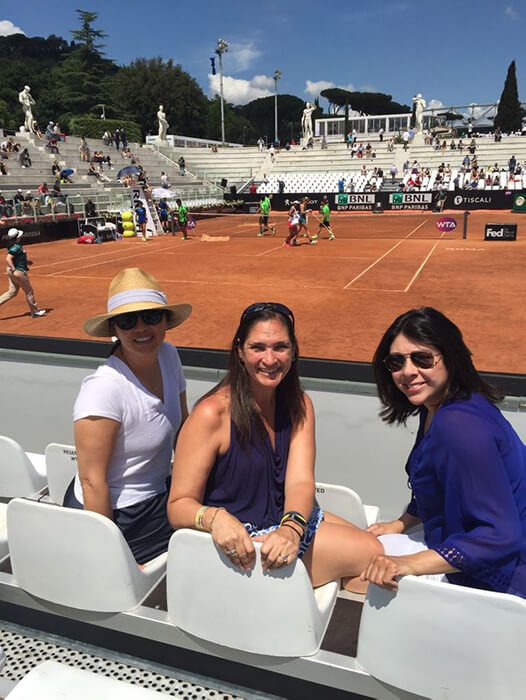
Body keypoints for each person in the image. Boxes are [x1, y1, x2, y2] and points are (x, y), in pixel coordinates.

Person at [167, 302, 382, 588]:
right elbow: (178, 506)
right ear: (240, 352)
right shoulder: (211, 414)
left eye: (280, 347)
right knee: (373, 552)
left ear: (293, 351)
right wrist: (216, 518)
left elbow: (300, 482)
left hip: (284, 521)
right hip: (244, 543)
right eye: (258, 347)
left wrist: (292, 529)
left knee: (373, 568)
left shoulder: (300, 405)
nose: (270, 359)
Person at [361, 307, 526, 599]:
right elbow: (435, 485)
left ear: (449, 356)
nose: (408, 371)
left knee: (358, 567)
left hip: (502, 581)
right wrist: (402, 523)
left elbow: (500, 536)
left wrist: (408, 564)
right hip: (476, 554)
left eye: (423, 358)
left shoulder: (459, 425)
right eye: (396, 362)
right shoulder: (438, 407)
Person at [63, 268, 192, 565]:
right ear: (115, 329)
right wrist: (111, 557)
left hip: (158, 496)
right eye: (127, 321)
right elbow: (92, 480)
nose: (140, 328)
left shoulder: (169, 355)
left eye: (150, 316)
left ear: (165, 321)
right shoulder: (104, 389)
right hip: (116, 515)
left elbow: (183, 431)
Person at [0, 228, 46, 318]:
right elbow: (8, 258)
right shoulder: (16, 247)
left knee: (12, 292)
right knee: (29, 291)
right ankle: (35, 312)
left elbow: (16, 258)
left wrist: (26, 261)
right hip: (17, 271)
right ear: (18, 237)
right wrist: (14, 269)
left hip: (10, 271)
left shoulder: (14, 245)